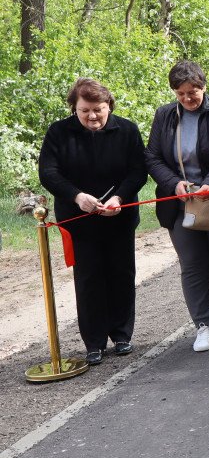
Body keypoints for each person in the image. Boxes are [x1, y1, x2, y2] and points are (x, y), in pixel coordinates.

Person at [38, 78, 147, 365]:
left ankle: (122, 335)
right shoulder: (59, 133)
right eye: (84, 110)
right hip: (79, 222)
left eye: (98, 109)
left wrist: (120, 198)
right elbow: (48, 173)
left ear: (108, 106)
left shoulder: (127, 130)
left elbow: (138, 171)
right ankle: (94, 342)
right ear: (74, 108)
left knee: (122, 275)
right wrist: (77, 197)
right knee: (88, 280)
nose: (92, 116)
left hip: (119, 218)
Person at [146, 61, 209, 353]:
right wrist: (173, 183)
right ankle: (202, 324)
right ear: (174, 92)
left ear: (204, 86)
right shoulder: (164, 115)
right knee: (192, 265)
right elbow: (152, 157)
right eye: (181, 93)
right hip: (179, 204)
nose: (188, 98)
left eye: (194, 92)